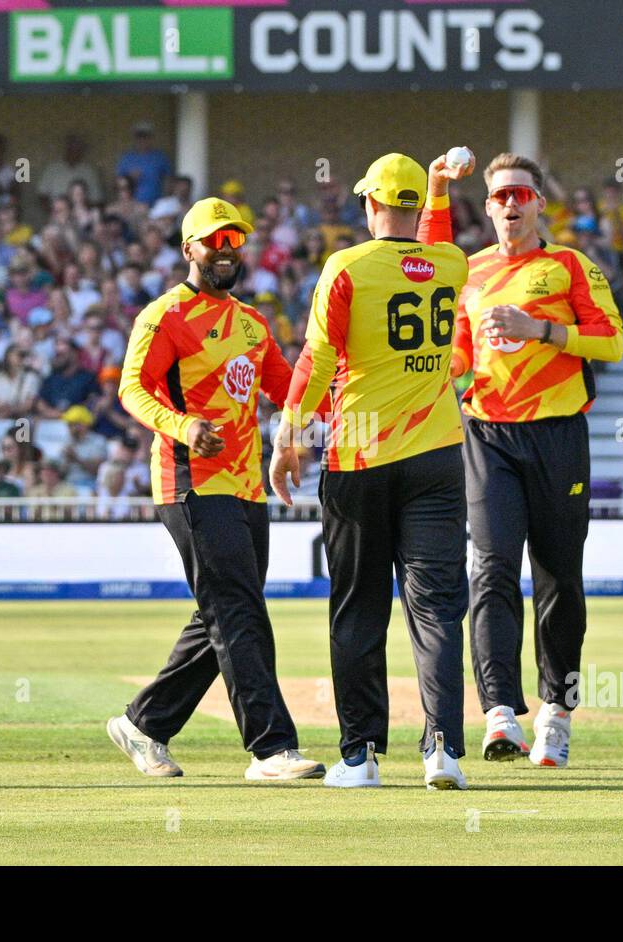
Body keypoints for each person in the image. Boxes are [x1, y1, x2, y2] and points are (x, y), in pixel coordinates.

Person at [269, 152, 472, 791]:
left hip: (359, 453)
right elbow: (429, 246)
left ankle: (359, 757)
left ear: (369, 205)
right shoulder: (453, 263)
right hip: (438, 451)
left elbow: (318, 356)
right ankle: (442, 749)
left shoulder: (347, 267)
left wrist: (288, 436)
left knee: (358, 609)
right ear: (414, 208)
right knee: (436, 607)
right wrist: (437, 187)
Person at [109, 197, 322, 782]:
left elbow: (289, 388)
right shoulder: (163, 316)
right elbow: (132, 389)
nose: (226, 251)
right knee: (237, 608)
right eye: (214, 242)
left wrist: (352, 393)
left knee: (224, 611)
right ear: (188, 250)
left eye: (234, 242)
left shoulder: (253, 324)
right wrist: (183, 425)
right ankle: (271, 749)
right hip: (189, 483)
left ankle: (143, 723)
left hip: (246, 487)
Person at [428, 151, 623, 767]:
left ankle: (557, 713)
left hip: (559, 434)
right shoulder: (470, 271)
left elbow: (612, 341)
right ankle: (500, 714)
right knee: (489, 568)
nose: (511, 204)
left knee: (559, 577)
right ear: (486, 207)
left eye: (521, 194)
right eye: (500, 196)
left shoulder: (569, 266)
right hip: (488, 434)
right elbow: (459, 355)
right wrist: (436, 370)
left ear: (540, 203)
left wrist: (539, 330)